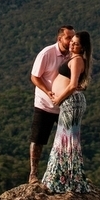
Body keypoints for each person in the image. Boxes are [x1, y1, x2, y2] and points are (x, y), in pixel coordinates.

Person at [41, 31, 93, 193]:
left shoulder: (77, 60)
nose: (72, 44)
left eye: (76, 44)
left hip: (70, 102)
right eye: (72, 42)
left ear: (82, 47)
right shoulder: (74, 58)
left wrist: (59, 99)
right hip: (69, 102)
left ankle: (66, 181)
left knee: (66, 140)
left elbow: (72, 85)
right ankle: (64, 179)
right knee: (65, 139)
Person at [28, 25, 75, 184]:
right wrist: (48, 92)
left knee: (68, 141)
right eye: (68, 38)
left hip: (64, 105)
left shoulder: (73, 55)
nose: (71, 41)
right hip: (45, 104)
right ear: (59, 38)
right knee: (38, 139)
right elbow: (35, 77)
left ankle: (65, 176)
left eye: (73, 38)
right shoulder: (47, 53)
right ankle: (33, 174)